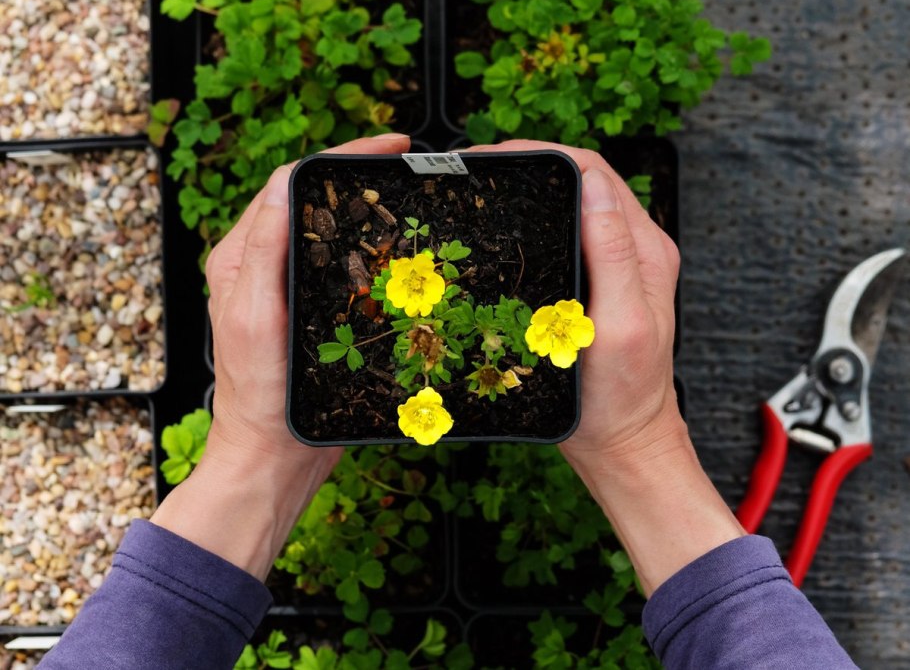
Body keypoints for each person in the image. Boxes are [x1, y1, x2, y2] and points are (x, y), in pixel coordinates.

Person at [38, 135, 858, 669]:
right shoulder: (422, 308)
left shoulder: (487, 325)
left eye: (420, 281)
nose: (420, 284)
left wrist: (252, 459)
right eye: (416, 280)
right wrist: (640, 444)